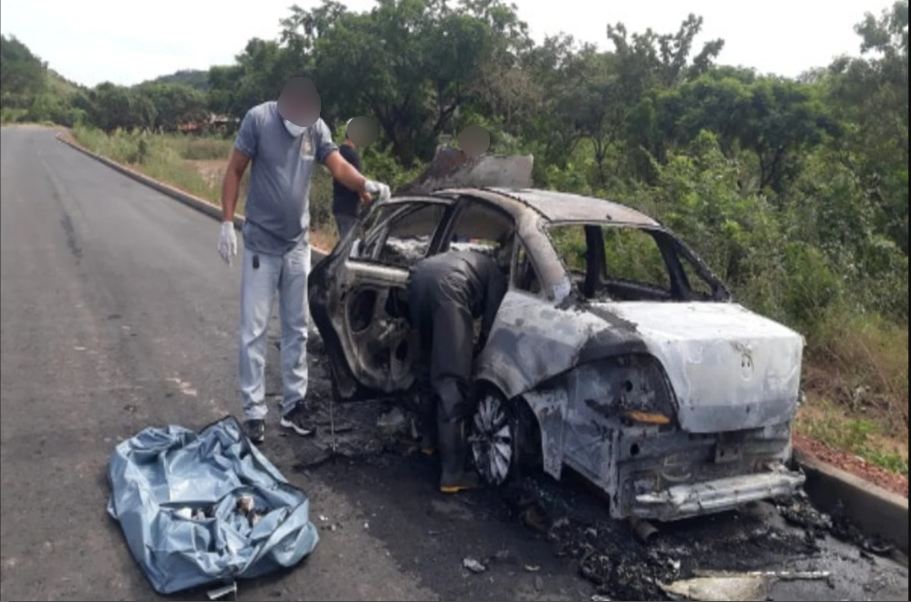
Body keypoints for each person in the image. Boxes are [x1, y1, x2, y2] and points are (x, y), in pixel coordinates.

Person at [217, 75, 390, 445]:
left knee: (297, 327)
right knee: (254, 330)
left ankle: (294, 405)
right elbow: (234, 170)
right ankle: (254, 412)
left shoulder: (317, 128)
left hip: (298, 245)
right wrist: (227, 222)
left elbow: (338, 166)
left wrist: (364, 184)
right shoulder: (258, 120)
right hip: (262, 245)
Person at [405, 246, 509, 493]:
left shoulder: (472, 258)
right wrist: (472, 360)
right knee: (451, 381)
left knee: (426, 368)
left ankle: (428, 441)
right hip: (449, 291)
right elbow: (490, 329)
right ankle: (452, 474)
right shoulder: (497, 276)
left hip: (418, 278)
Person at [331, 119, 363, 240]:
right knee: (349, 249)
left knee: (346, 245)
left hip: (338, 207)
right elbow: (358, 182)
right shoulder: (352, 157)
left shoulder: (337, 152)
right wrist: (368, 198)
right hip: (349, 209)